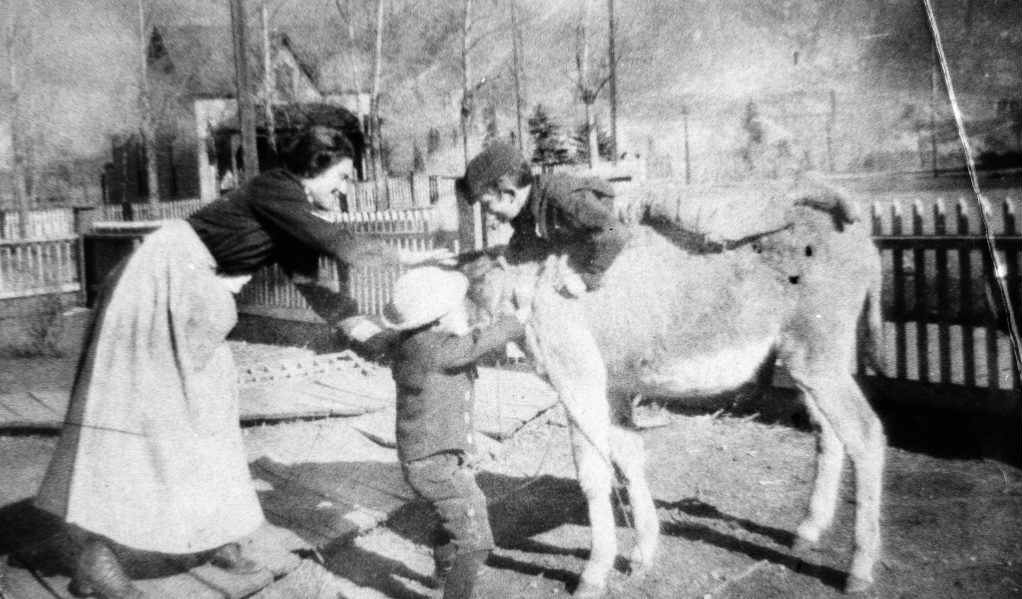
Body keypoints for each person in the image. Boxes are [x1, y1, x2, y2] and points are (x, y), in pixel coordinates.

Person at [34, 126, 401, 599]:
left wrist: (371, 337)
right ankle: (94, 558)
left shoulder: (288, 215)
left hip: (193, 294)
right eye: (343, 176)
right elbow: (340, 243)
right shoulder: (277, 189)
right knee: (133, 416)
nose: (346, 189)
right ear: (314, 168)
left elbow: (316, 288)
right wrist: (413, 263)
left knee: (209, 409)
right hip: (158, 285)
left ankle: (210, 533)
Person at [382, 266, 529, 599]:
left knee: (451, 516)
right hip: (438, 464)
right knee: (476, 539)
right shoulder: (441, 350)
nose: (465, 310)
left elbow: (464, 342)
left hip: (425, 461)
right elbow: (477, 343)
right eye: (459, 307)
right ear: (438, 320)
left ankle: (444, 572)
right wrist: (518, 319)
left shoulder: (412, 343)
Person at [460, 142, 629, 294]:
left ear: (510, 194)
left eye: (487, 205)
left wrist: (588, 277)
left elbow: (614, 230)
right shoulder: (526, 207)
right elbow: (525, 240)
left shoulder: (561, 197)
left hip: (606, 219)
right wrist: (505, 257)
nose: (488, 215)